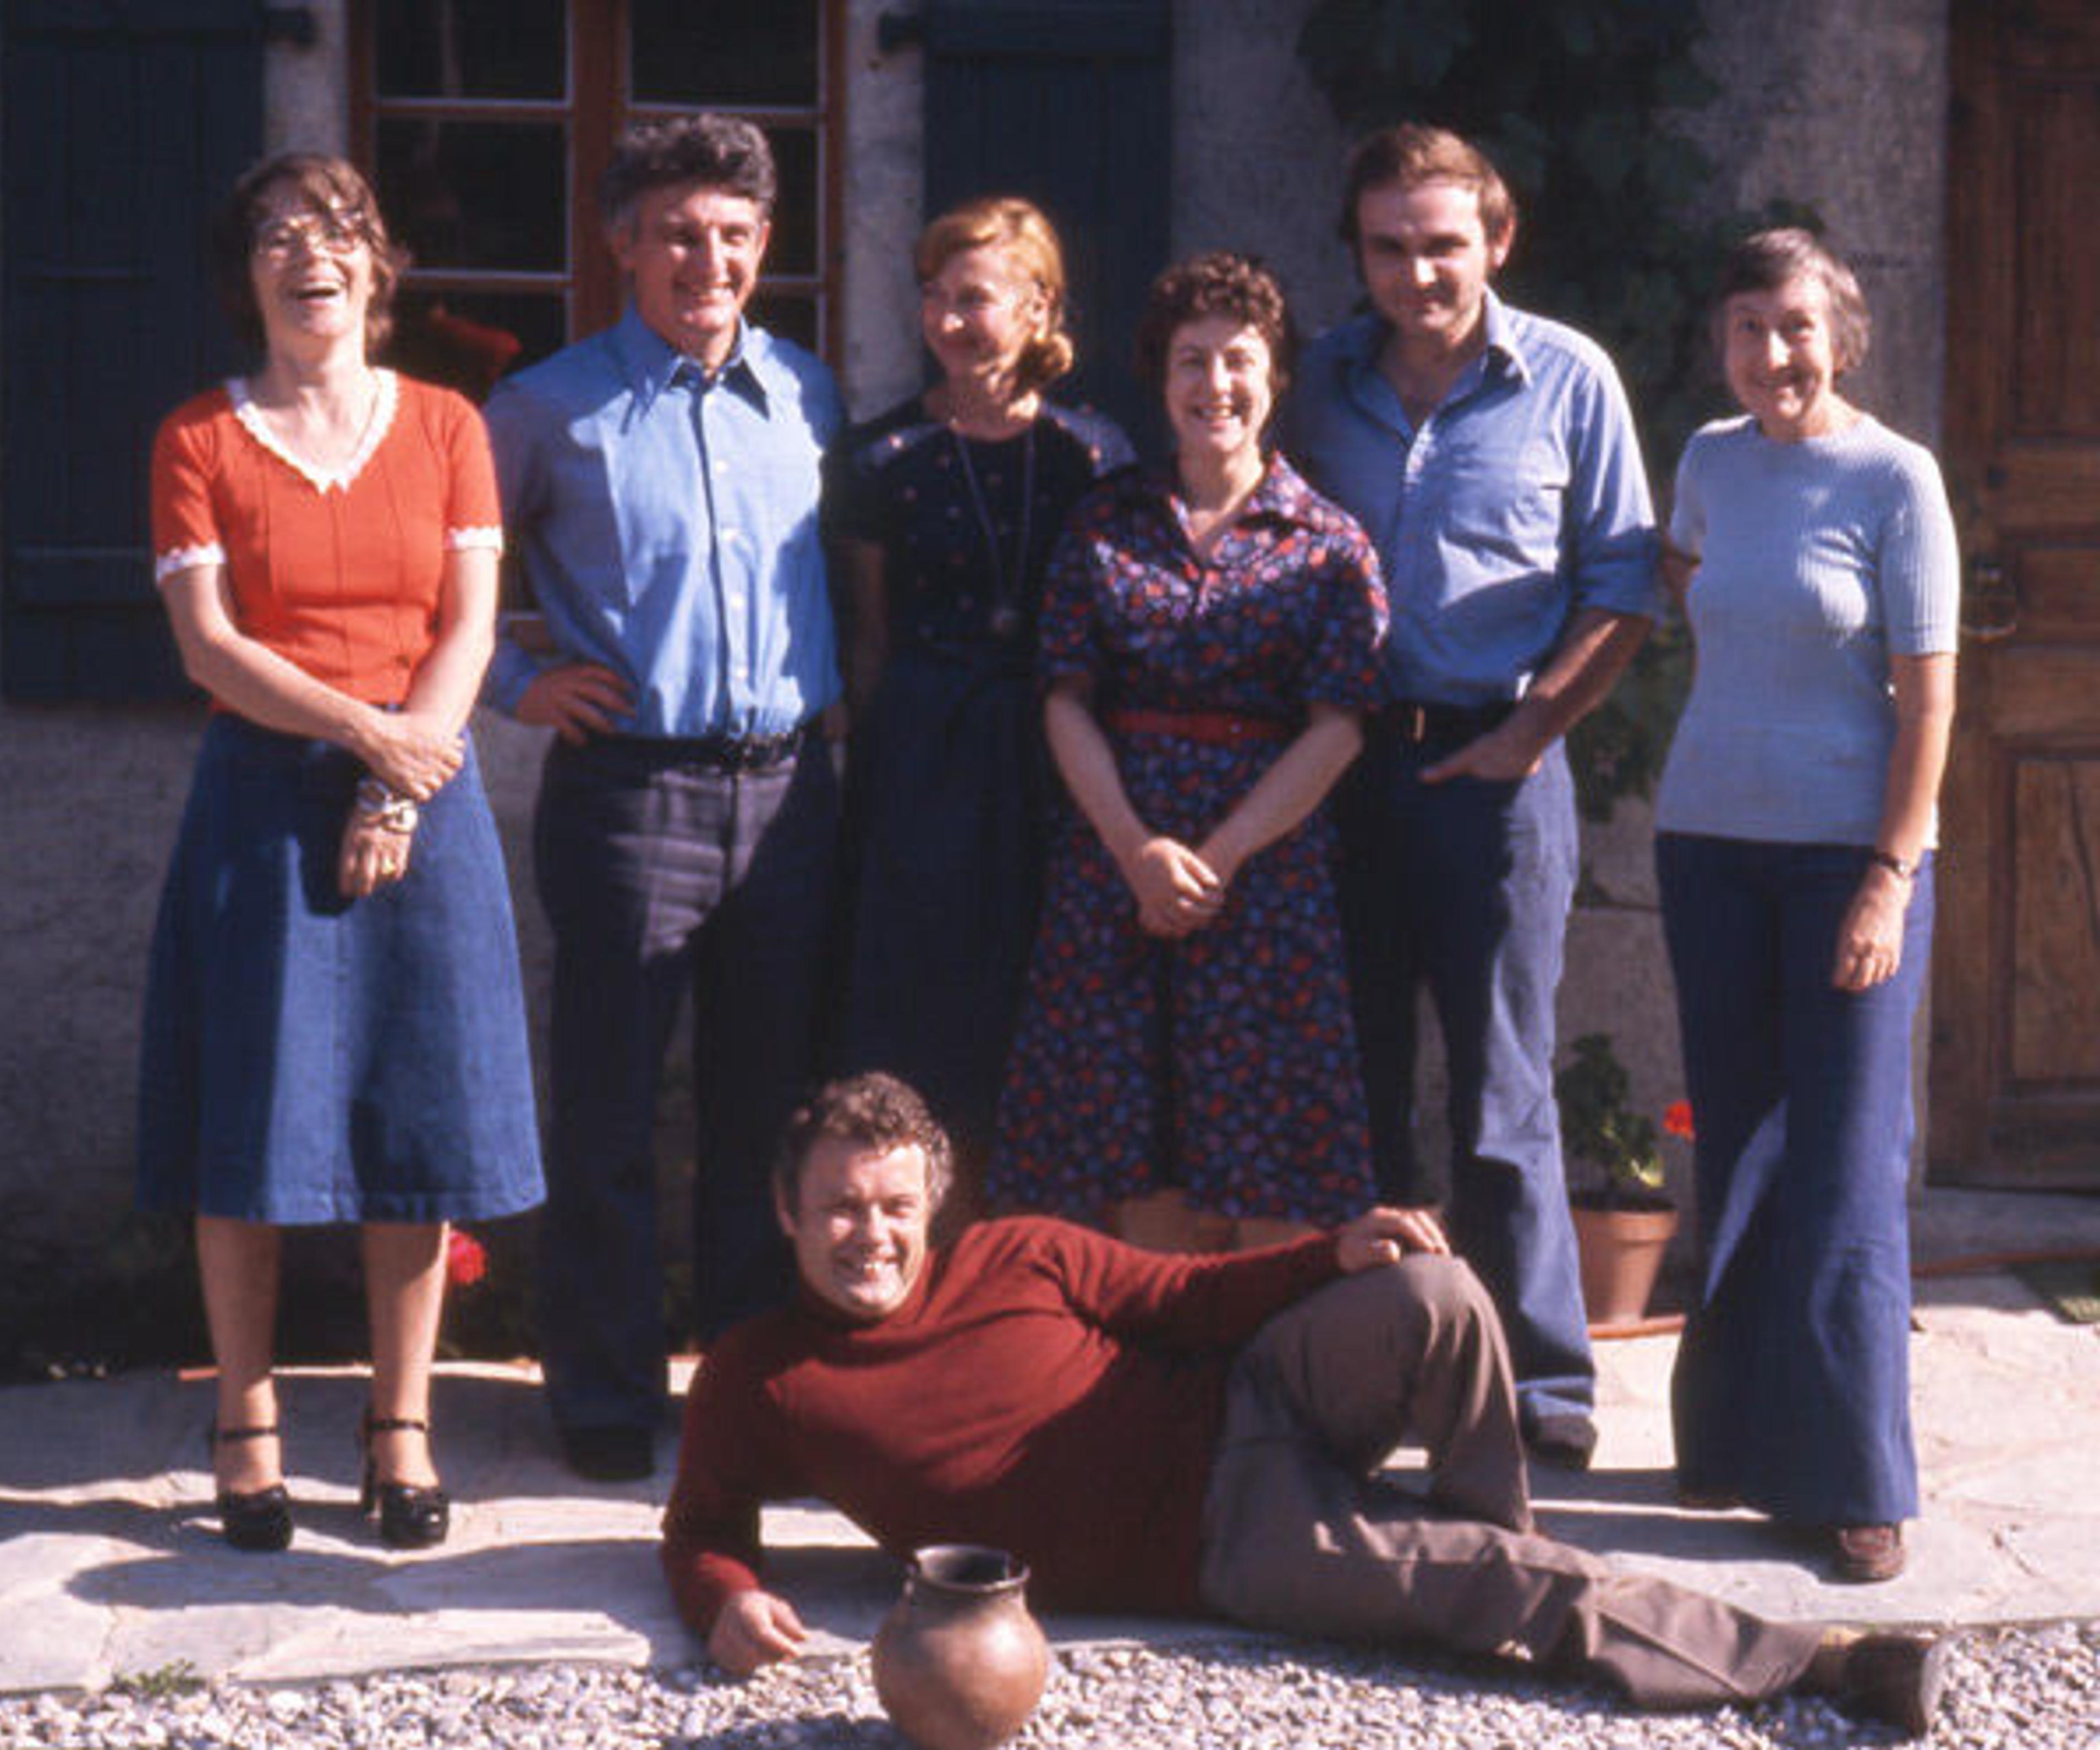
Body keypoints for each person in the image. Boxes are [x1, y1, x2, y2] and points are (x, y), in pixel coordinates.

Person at [661, 1072, 1949, 1738]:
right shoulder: (763, 1374)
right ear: (788, 1212)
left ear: (932, 1200)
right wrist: (723, 1596)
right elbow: (700, 1521)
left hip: (1254, 1397)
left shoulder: (1023, 1253)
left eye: (893, 1206)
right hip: (1220, 1543)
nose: (869, 1236)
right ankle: (1809, 1665)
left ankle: (1474, 1560)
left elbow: (1191, 1295)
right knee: (1495, 1578)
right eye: (839, 1208)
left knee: (1437, 1290)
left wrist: (1335, 1252)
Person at [140, 152, 544, 1552]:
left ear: (379, 267)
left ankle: (399, 1426)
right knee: (252, 1122)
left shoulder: (446, 426)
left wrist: (401, 782)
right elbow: (212, 647)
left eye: (340, 233)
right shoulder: (197, 437)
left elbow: (469, 628)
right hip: (261, 800)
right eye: (276, 237)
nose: (310, 256)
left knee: (414, 1124)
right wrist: (371, 745)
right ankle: (244, 1422)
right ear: (245, 274)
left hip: (422, 804)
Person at [1287, 124, 1662, 1464]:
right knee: (1356, 1082)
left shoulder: (1566, 378)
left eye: (1442, 244)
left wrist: (1533, 729)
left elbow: (1624, 584)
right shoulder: (1315, 379)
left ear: (1495, 242)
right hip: (1342, 770)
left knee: (1502, 1094)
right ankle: (1381, 1373)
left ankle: (1543, 1391)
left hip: (1496, 775)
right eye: (1388, 247)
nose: (1416, 273)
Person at [483, 116, 845, 1483]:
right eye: (679, 232)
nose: (710, 258)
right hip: (632, 798)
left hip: (792, 795)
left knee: (770, 1115)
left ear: (766, 247)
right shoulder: (547, 408)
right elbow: (434, 586)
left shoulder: (808, 396)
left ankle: (752, 1385)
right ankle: (603, 1383)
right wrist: (519, 684)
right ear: (622, 242)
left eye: (735, 235)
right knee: (612, 1103)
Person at [1655, 231, 1958, 1584]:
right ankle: (1726, 1445)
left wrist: (1889, 875)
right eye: (1745, 330)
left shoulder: (1899, 478)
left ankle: (1853, 1482)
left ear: (1840, 331)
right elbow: (1687, 584)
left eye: (1792, 327)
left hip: (1849, 860)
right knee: (1743, 1146)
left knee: (1843, 1162)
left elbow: (1932, 702)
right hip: (1708, 845)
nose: (1769, 356)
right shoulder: (1712, 462)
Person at [990, 253, 1384, 1251]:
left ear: (1278, 377)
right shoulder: (1103, 522)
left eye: (1240, 360)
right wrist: (1137, 852)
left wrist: (1221, 857)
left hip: (1266, 872)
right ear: (1159, 380)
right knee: (1131, 1129)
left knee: (1265, 1140)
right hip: (1117, 862)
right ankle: (1152, 1383)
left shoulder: (1331, 543)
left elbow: (1339, 725)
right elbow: (1065, 698)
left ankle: (1264, 1386)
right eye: (1190, 362)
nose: (1217, 385)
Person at [831, 196, 1132, 1182]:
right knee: (922, 1005)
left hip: (1057, 754)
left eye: (975, 298)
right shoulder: (881, 458)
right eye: (932, 297)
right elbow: (871, 641)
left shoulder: (1093, 455)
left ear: (1040, 307)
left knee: (1045, 1000)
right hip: (926, 753)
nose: (949, 320)